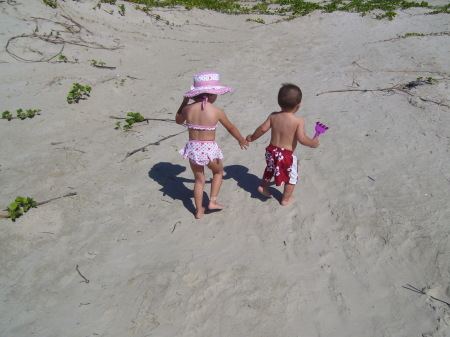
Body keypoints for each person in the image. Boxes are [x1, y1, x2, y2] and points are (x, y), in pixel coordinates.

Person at [176, 71, 248, 219]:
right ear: (212, 95)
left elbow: (178, 120)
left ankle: (198, 211)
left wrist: (184, 102)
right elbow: (231, 127)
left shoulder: (187, 109)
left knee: (199, 180)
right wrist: (241, 139)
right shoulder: (217, 111)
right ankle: (212, 202)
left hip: (193, 149)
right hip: (209, 150)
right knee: (218, 172)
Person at [246, 83, 319, 206]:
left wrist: (252, 137)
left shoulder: (273, 116)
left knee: (270, 169)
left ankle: (264, 187)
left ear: (279, 103)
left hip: (271, 150)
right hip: (286, 155)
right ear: (298, 105)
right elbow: (301, 139)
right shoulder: (298, 121)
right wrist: (313, 143)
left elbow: (262, 129)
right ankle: (285, 199)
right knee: (291, 178)